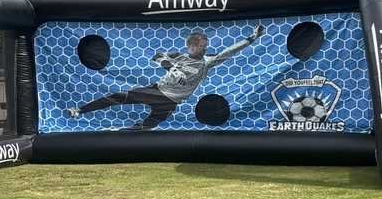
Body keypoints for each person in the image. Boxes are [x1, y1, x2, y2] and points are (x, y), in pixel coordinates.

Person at [66, 25, 264, 130]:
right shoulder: (180, 56)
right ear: (191, 46)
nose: (204, 48)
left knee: (145, 128)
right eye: (201, 46)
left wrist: (251, 38)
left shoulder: (207, 62)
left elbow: (229, 52)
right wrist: (167, 63)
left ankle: (120, 137)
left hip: (171, 102)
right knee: (118, 97)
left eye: (205, 46)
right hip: (156, 91)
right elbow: (157, 56)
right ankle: (79, 111)